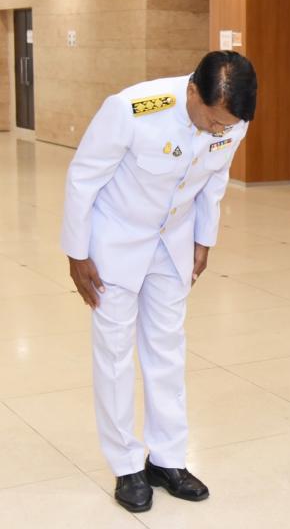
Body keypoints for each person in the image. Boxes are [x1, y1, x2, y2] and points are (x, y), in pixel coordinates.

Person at [61, 51, 257, 512]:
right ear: (192, 92)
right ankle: (127, 464)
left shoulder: (233, 120)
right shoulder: (132, 109)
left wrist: (204, 239)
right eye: (213, 121)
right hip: (115, 239)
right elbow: (83, 178)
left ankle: (167, 459)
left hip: (172, 242)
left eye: (226, 126)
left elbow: (215, 179)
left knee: (167, 349)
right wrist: (77, 252)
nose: (219, 131)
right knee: (115, 354)